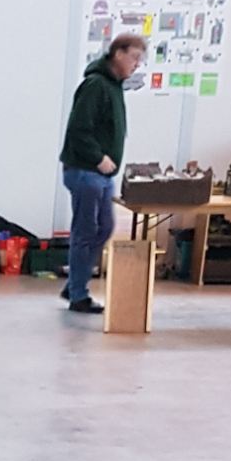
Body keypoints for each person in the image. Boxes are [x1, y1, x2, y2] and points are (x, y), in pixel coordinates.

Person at [59, 33, 147, 315]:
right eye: (134, 57)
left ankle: (75, 282)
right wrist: (99, 158)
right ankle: (78, 296)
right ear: (118, 53)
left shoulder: (114, 86)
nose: (137, 64)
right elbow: (78, 129)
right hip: (86, 171)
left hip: (102, 175)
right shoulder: (96, 85)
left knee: (104, 228)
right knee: (86, 231)